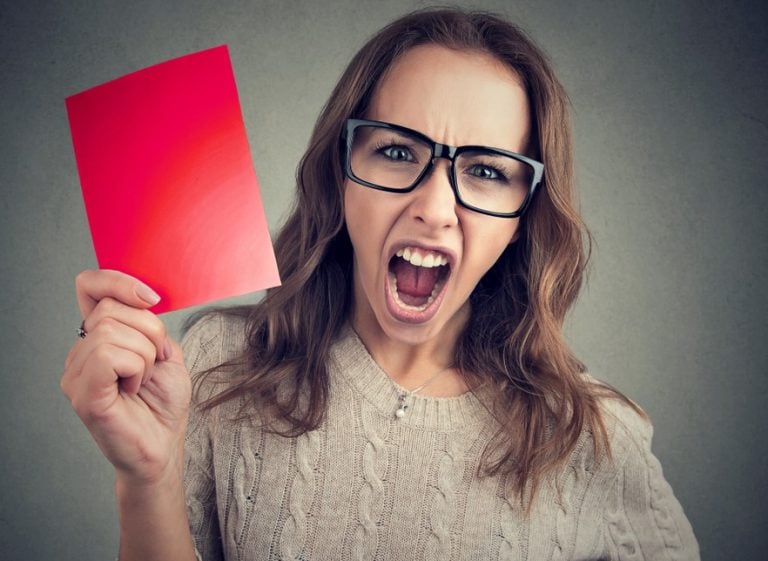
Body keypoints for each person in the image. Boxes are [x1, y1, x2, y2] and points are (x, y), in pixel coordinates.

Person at [60, 8, 700, 561]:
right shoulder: (217, 366)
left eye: (485, 170)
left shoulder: (591, 435)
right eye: (397, 152)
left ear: (525, 217)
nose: (435, 207)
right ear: (340, 176)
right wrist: (146, 479)